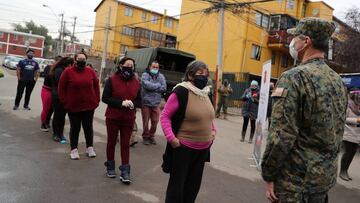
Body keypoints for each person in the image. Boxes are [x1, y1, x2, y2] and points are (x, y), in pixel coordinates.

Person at [261, 17, 347, 203]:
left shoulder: (294, 77)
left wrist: (268, 173)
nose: (292, 42)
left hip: (295, 184)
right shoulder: (337, 80)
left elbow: (282, 135)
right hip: (323, 181)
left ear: (306, 41)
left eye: (296, 38)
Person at [160, 60, 216, 203]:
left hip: (202, 150)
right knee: (176, 189)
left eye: (206, 74)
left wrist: (213, 131)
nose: (204, 76)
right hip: (183, 149)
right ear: (190, 75)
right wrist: (172, 139)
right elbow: (165, 116)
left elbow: (209, 116)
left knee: (192, 188)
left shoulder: (205, 93)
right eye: (200, 73)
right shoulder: (181, 91)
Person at [102, 57, 141, 184]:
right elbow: (105, 98)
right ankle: (110, 166)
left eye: (131, 65)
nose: (129, 67)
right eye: (127, 65)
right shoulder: (112, 80)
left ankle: (125, 171)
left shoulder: (136, 82)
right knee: (111, 142)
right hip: (113, 117)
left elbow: (140, 101)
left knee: (125, 144)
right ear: (120, 66)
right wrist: (121, 103)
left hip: (128, 119)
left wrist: (132, 104)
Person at [58, 52, 100, 160]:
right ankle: (74, 149)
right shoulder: (68, 72)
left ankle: (89, 148)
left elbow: (96, 85)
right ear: (75, 60)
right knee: (75, 128)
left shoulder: (90, 71)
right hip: (73, 106)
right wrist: (65, 102)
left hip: (89, 106)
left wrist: (96, 100)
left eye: (84, 58)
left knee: (88, 128)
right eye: (80, 58)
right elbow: (61, 88)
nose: (82, 60)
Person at [141, 61, 167, 145]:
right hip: (146, 102)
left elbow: (164, 88)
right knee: (145, 122)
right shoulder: (145, 75)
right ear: (150, 67)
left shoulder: (161, 76)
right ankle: (145, 137)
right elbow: (145, 84)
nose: (155, 68)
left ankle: (151, 136)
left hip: (156, 103)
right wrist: (157, 86)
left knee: (155, 121)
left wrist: (152, 87)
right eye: (153, 67)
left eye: (157, 67)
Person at [50, 57, 73, 143]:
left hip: (64, 96)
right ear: (68, 64)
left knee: (62, 116)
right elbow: (61, 83)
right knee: (57, 115)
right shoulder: (59, 70)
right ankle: (55, 134)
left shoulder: (65, 70)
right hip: (57, 96)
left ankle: (61, 134)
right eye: (72, 64)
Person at [339, 90, 360, 181]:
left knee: (352, 153)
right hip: (348, 132)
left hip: (357, 134)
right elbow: (344, 119)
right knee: (347, 152)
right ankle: (342, 171)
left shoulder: (358, 108)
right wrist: (356, 121)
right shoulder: (348, 106)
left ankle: (346, 170)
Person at [40, 56, 61, 132]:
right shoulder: (48, 67)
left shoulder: (59, 70)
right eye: (57, 61)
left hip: (54, 91)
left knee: (51, 109)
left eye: (59, 61)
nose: (57, 63)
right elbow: (47, 77)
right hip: (47, 90)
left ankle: (47, 121)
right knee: (46, 108)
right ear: (54, 61)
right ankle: (43, 124)